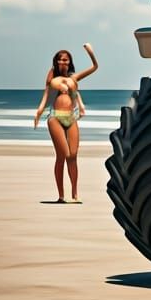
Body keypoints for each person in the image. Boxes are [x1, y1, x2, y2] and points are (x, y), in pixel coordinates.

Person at [32, 44, 98, 204]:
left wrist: (90, 52)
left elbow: (95, 67)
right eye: (61, 60)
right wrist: (39, 112)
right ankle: (61, 196)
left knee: (73, 156)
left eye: (66, 60)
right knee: (63, 155)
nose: (64, 62)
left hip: (71, 118)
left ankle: (75, 194)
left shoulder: (73, 78)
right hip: (55, 117)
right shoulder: (52, 79)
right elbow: (46, 96)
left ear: (69, 62)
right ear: (56, 62)